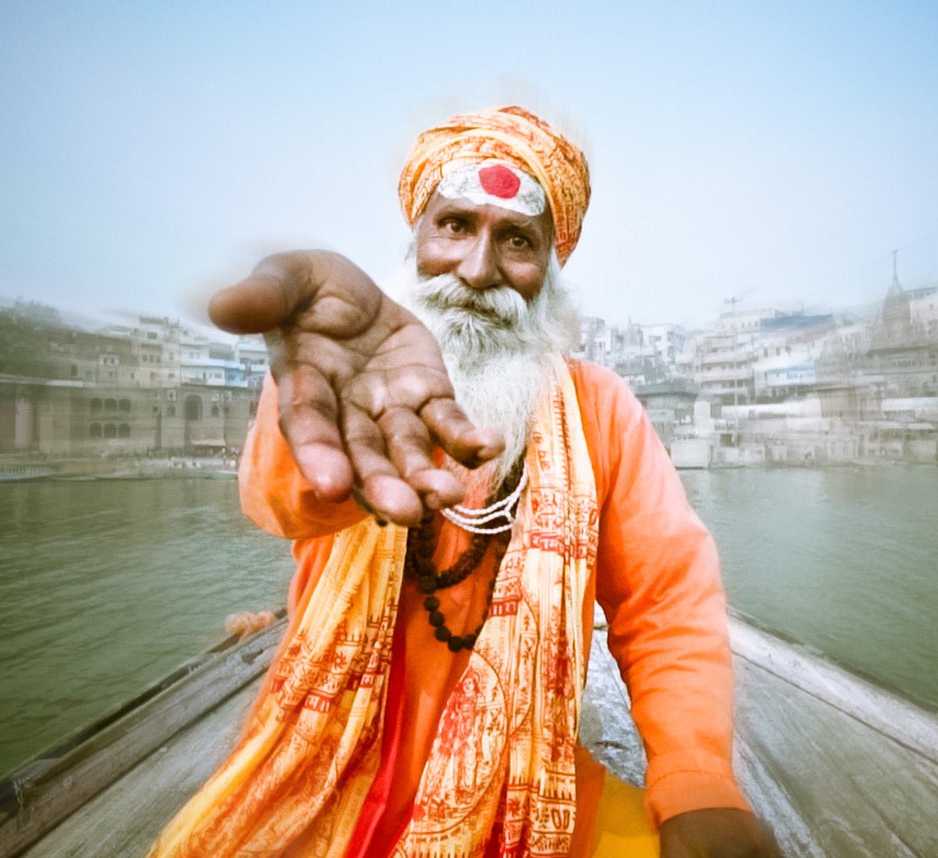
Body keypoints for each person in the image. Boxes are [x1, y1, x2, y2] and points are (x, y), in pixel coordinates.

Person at [149, 106, 779, 858]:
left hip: (526, 793)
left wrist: (697, 780)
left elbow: (667, 605)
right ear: (414, 239)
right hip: (323, 771)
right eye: (454, 226)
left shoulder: (600, 409)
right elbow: (278, 502)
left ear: (550, 269)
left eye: (517, 240)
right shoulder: (347, 373)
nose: (479, 271)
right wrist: (336, 460)